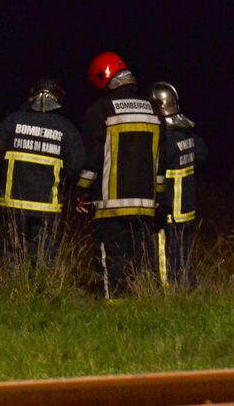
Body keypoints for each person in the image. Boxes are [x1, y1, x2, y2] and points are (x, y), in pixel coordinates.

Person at [76, 52, 165, 299]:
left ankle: (113, 308)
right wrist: (158, 197)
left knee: (112, 261)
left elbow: (91, 160)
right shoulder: (154, 110)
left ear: (102, 77)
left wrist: (81, 192)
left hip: (110, 205)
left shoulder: (100, 109)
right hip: (146, 204)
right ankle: (144, 305)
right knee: (142, 262)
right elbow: (161, 160)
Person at [0, 77, 85, 266]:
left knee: (10, 253)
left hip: (12, 202)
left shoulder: (12, 121)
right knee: (45, 257)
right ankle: (42, 292)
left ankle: (11, 291)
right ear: (57, 97)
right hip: (47, 207)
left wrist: (10, 173)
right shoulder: (66, 128)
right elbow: (76, 166)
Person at [148, 82, 208, 289]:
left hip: (170, 208)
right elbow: (202, 156)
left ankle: (166, 294)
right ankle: (186, 288)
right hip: (188, 209)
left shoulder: (165, 138)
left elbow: (158, 172)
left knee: (165, 253)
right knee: (184, 254)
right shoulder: (187, 133)